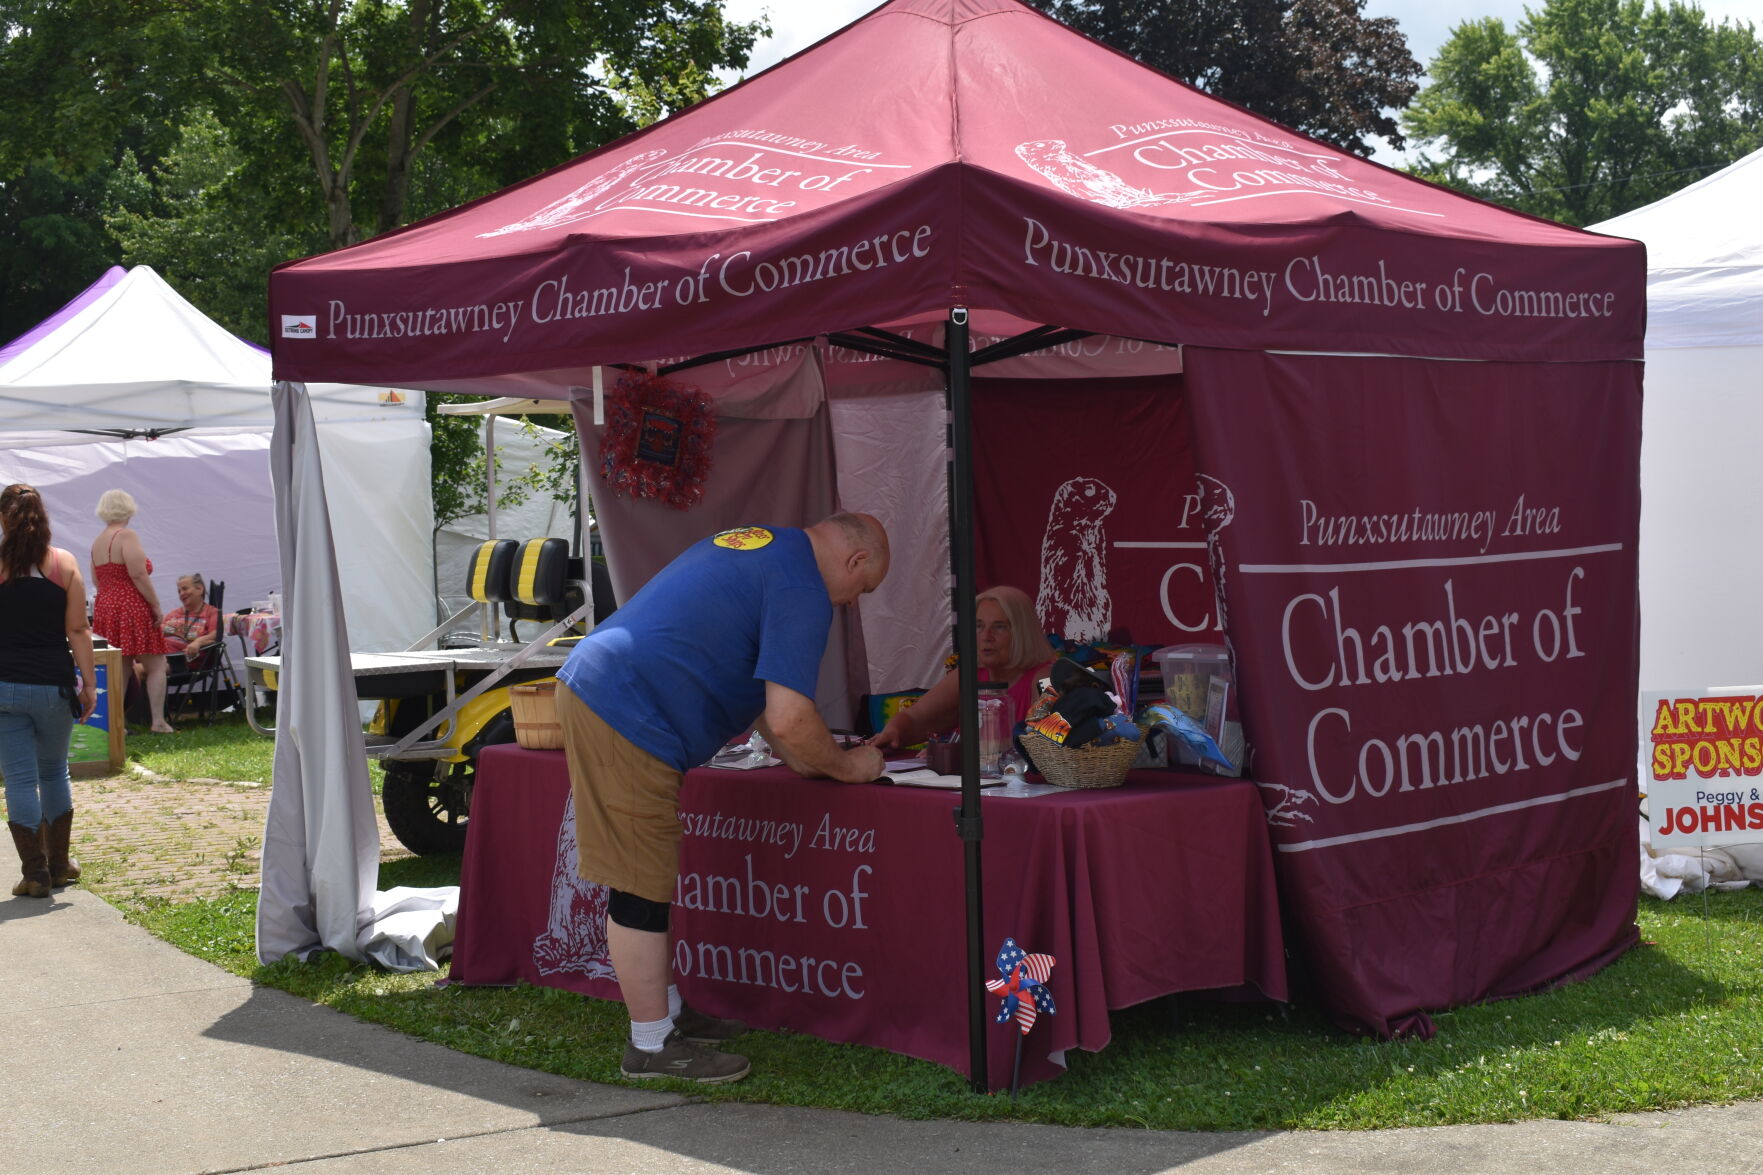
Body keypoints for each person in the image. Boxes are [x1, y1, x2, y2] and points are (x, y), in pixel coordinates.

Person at [555, 513, 890, 1084]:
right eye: (862, 590)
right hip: (629, 707)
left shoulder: (768, 548)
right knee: (641, 883)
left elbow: (766, 703)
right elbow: (787, 717)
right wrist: (851, 768)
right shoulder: (803, 587)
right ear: (855, 562)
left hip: (607, 686)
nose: (850, 603)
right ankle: (652, 1046)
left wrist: (812, 762)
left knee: (648, 876)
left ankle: (671, 1017)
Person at [1, 485, 98, 899]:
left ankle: (35, 873)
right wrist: (89, 683)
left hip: (4, 687)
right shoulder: (64, 564)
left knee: (20, 779)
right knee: (54, 771)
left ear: (4, 520)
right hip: (54, 684)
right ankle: (60, 864)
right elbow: (78, 629)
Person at [867, 585, 1054, 751]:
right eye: (979, 626)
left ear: (1022, 633)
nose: (986, 636)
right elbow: (915, 716)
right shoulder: (968, 675)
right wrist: (893, 732)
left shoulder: (1046, 677)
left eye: (999, 627)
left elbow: (1046, 740)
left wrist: (962, 752)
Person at [90, 489, 174, 733]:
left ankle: (117, 723)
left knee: (121, 667)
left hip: (107, 605)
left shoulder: (97, 541)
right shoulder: (126, 536)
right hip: (132, 604)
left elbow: (97, 580)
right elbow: (138, 573)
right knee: (157, 664)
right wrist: (156, 605)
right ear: (128, 508)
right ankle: (158, 721)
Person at [162, 573, 222, 670]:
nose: (181, 593)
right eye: (179, 591)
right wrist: (177, 632)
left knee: (137, 671)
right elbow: (158, 630)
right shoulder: (173, 614)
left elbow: (215, 635)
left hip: (182, 662)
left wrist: (198, 642)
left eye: (185, 589)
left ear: (200, 589)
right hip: (158, 656)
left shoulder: (211, 612)